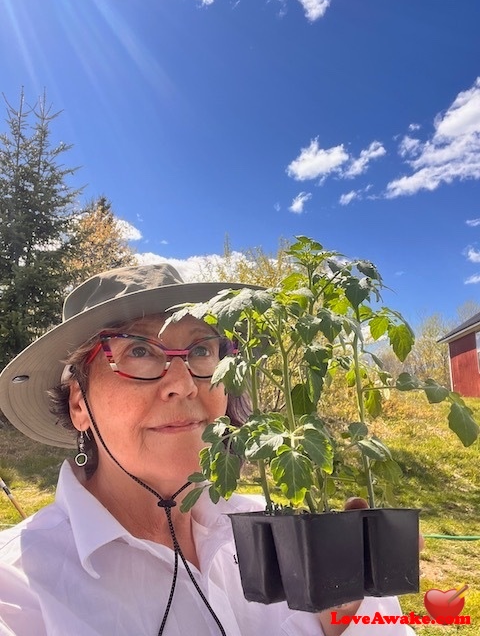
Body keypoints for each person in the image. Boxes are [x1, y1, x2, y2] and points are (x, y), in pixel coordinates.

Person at [0, 264, 416, 636]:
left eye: (201, 350)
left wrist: (346, 617)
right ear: (79, 404)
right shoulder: (18, 585)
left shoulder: (289, 535)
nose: (183, 383)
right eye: (139, 351)